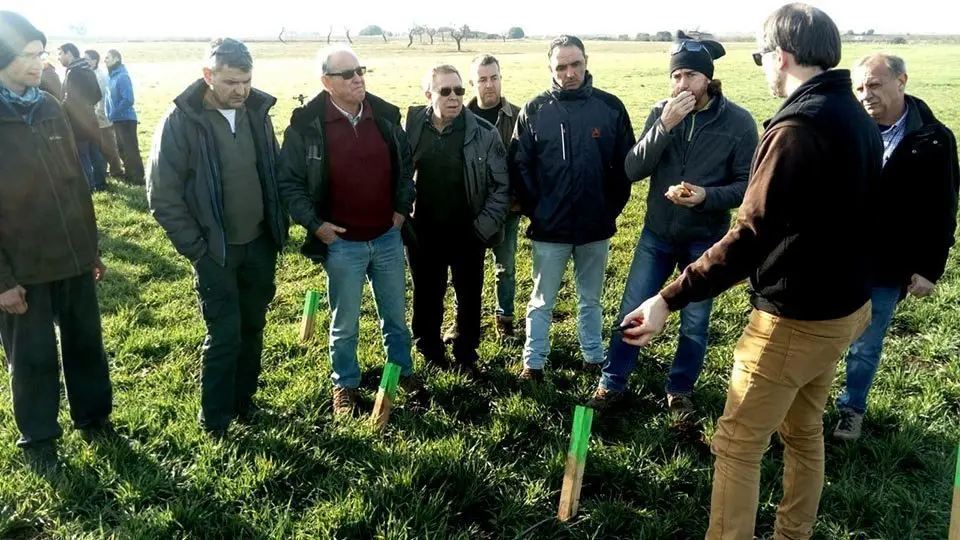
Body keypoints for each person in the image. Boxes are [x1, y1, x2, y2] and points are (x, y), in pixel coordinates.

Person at [618, 4, 881, 537]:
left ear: (782, 57)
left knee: (736, 443)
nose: (763, 67)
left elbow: (749, 236)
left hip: (795, 316)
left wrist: (667, 298)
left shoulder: (795, 129)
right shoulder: (854, 113)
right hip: (846, 307)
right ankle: (793, 533)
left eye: (763, 56)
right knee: (804, 429)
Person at [588, 32, 759, 414]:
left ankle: (679, 389)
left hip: (706, 240)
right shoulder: (661, 113)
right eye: (676, 76)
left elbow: (747, 186)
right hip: (657, 234)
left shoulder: (738, 122)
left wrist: (705, 197)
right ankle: (612, 382)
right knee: (632, 306)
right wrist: (664, 126)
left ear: (708, 79)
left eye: (689, 76)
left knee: (695, 322)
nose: (682, 85)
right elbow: (633, 169)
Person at [276, 45, 430, 417]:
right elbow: (290, 183)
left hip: (387, 238)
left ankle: (401, 372)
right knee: (344, 323)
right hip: (342, 243)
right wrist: (316, 226)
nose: (357, 77)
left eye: (360, 70)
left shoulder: (387, 116)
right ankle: (344, 384)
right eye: (347, 74)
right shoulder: (306, 125)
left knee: (394, 316)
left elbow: (405, 169)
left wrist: (399, 211)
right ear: (326, 82)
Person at [147, 38, 288, 438]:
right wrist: (197, 249)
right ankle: (215, 420)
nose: (241, 90)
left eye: (246, 81)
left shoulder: (258, 113)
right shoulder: (180, 121)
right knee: (224, 334)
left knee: (253, 326)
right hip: (215, 252)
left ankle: (245, 402)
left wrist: (278, 226)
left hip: (259, 245)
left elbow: (273, 173)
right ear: (208, 76)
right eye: (230, 82)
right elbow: (163, 195)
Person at [0, 10, 113, 475]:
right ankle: (40, 437)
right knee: (32, 357)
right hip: (21, 269)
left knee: (87, 342)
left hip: (72, 256)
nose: (39, 62)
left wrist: (91, 249)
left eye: (42, 52)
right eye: (29, 54)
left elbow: (75, 183)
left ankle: (94, 417)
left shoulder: (49, 105)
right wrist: (3, 280)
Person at [832, 53, 959, 441]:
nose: (865, 94)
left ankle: (851, 409)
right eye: (858, 87)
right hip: (835, 257)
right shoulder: (845, 128)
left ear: (901, 81)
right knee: (818, 336)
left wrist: (929, 268)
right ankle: (806, 402)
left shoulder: (934, 138)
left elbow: (943, 209)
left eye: (874, 84)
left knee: (866, 345)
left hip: (888, 264)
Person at [512, 35, 635, 382]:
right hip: (549, 229)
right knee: (541, 300)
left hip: (596, 227)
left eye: (575, 64)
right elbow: (520, 164)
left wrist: (608, 210)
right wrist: (539, 209)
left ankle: (593, 356)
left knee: (590, 299)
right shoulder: (535, 110)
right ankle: (533, 363)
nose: (570, 73)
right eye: (561, 66)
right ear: (550, 68)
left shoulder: (610, 108)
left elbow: (625, 167)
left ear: (586, 61)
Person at [405, 64, 510, 377]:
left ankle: (466, 355)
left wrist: (482, 229)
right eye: (445, 91)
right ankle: (429, 350)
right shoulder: (411, 129)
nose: (454, 98)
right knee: (426, 293)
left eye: (459, 90)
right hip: (422, 232)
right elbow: (397, 175)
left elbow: (501, 187)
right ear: (429, 95)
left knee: (469, 297)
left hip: (468, 232)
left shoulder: (484, 133)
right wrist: (402, 217)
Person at [466, 54, 522, 342]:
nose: (490, 85)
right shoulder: (461, 117)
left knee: (506, 268)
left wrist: (517, 200)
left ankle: (505, 320)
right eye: (483, 79)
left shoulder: (519, 116)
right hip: (469, 208)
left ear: (501, 78)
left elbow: (525, 164)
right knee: (464, 268)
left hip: (507, 208)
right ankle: (461, 322)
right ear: (473, 82)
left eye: (494, 77)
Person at [58, 41, 102, 190]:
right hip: (91, 118)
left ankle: (88, 187)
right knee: (95, 153)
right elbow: (98, 94)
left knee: (82, 155)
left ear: (69, 54)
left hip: (77, 121)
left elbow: (69, 98)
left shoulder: (73, 72)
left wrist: (60, 108)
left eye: (60, 54)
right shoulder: (88, 70)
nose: (59, 58)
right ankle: (101, 183)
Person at [105, 49, 145, 185]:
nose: (105, 60)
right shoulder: (111, 76)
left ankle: (138, 178)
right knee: (122, 149)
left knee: (130, 150)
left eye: (108, 57)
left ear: (117, 59)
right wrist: (109, 114)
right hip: (116, 119)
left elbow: (128, 99)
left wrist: (114, 113)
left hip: (126, 119)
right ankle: (129, 174)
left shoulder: (122, 76)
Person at [83, 48, 125, 179]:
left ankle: (116, 170)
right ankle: (105, 169)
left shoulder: (99, 75)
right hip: (96, 116)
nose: (84, 62)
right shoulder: (91, 73)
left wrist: (98, 112)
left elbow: (100, 97)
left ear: (94, 61)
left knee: (109, 145)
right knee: (101, 145)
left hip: (102, 115)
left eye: (86, 59)